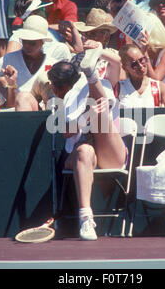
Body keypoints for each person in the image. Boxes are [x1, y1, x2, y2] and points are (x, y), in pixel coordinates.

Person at [48, 57, 127, 241]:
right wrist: (88, 116)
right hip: (81, 156)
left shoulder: (106, 85)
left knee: (101, 114)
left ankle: (92, 76)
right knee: (85, 149)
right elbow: (67, 132)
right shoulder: (66, 100)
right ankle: (86, 218)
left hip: (110, 153)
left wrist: (99, 48)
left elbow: (116, 61)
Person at [0, 15, 57, 111]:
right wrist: (2, 90)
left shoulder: (53, 63)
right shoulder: (8, 59)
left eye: (32, 43)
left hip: (42, 114)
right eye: (24, 41)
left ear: (42, 42)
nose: (27, 46)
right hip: (14, 112)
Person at [7, 0, 72, 62]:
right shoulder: (19, 36)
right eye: (42, 9)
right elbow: (10, 61)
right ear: (33, 13)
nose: (45, 11)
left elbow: (75, 50)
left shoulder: (52, 32)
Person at [117, 43, 165, 108]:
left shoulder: (160, 86)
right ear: (125, 68)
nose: (140, 66)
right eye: (134, 64)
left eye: (141, 60)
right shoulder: (119, 88)